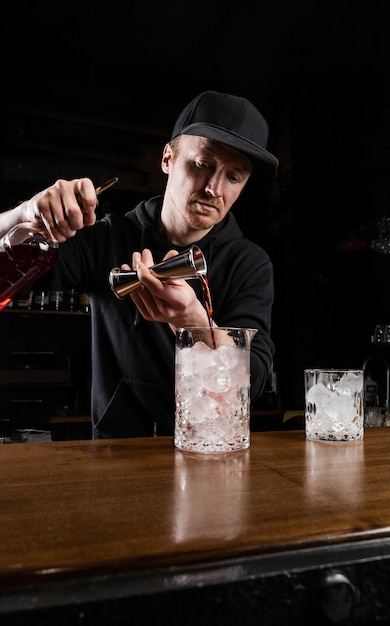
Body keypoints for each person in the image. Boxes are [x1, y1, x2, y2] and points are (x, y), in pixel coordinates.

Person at [0, 90, 279, 439]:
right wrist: (23, 215)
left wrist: (191, 322)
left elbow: (250, 384)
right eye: (203, 165)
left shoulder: (249, 263)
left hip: (206, 455)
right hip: (114, 457)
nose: (213, 189)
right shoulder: (106, 239)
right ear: (167, 158)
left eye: (234, 177)